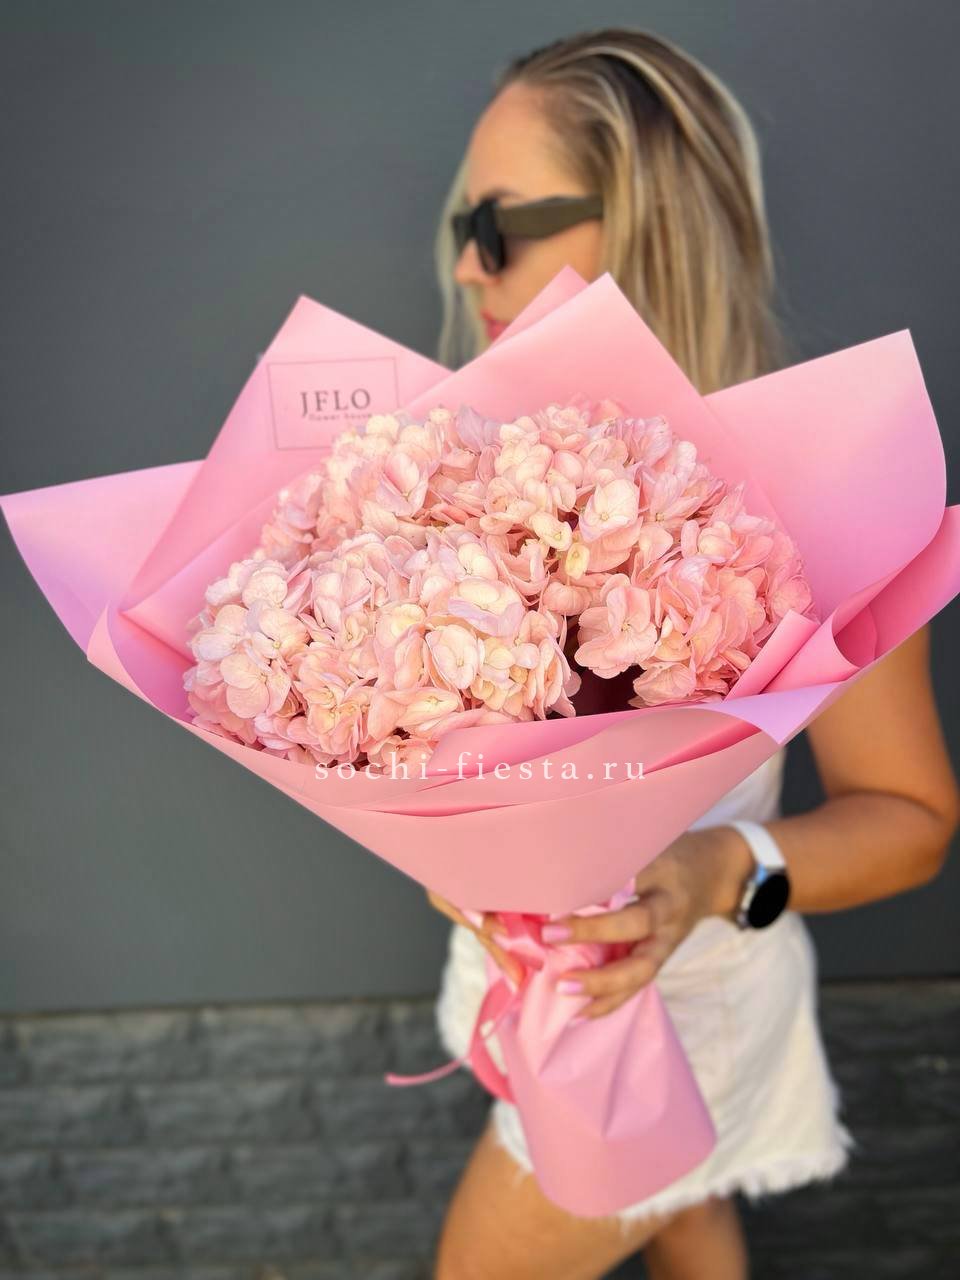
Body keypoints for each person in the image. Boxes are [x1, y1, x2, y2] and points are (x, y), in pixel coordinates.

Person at [423, 26, 960, 1280]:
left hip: (669, 1011)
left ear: (646, 221)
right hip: (535, 988)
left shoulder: (821, 497)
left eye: (500, 226)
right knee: (691, 1218)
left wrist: (719, 864)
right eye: (462, 225)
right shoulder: (461, 461)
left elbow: (914, 820)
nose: (465, 264)